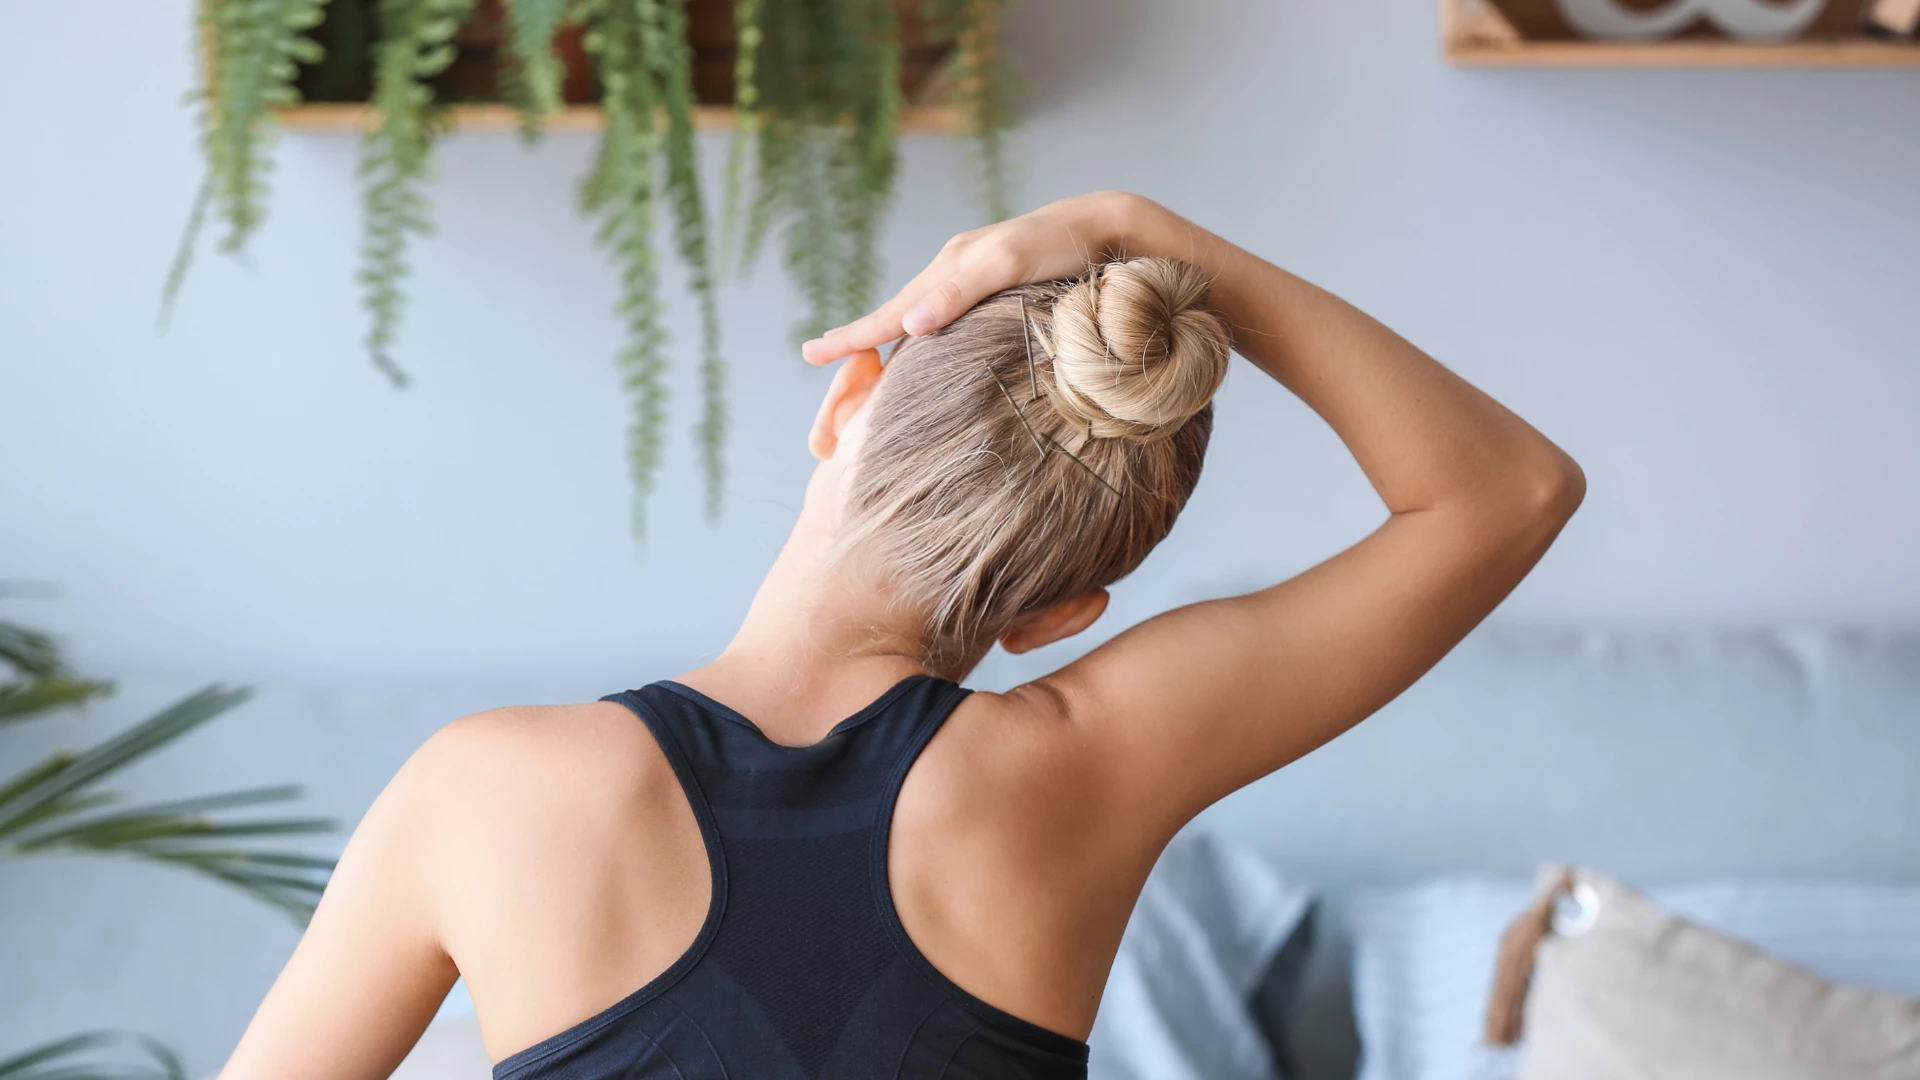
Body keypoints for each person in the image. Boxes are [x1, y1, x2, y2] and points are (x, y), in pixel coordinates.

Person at [219, 190, 1584, 1080]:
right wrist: (1141, 230)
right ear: (1064, 612)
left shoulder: (484, 790)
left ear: (843, 405)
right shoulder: (1088, 770)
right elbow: (1506, 492)